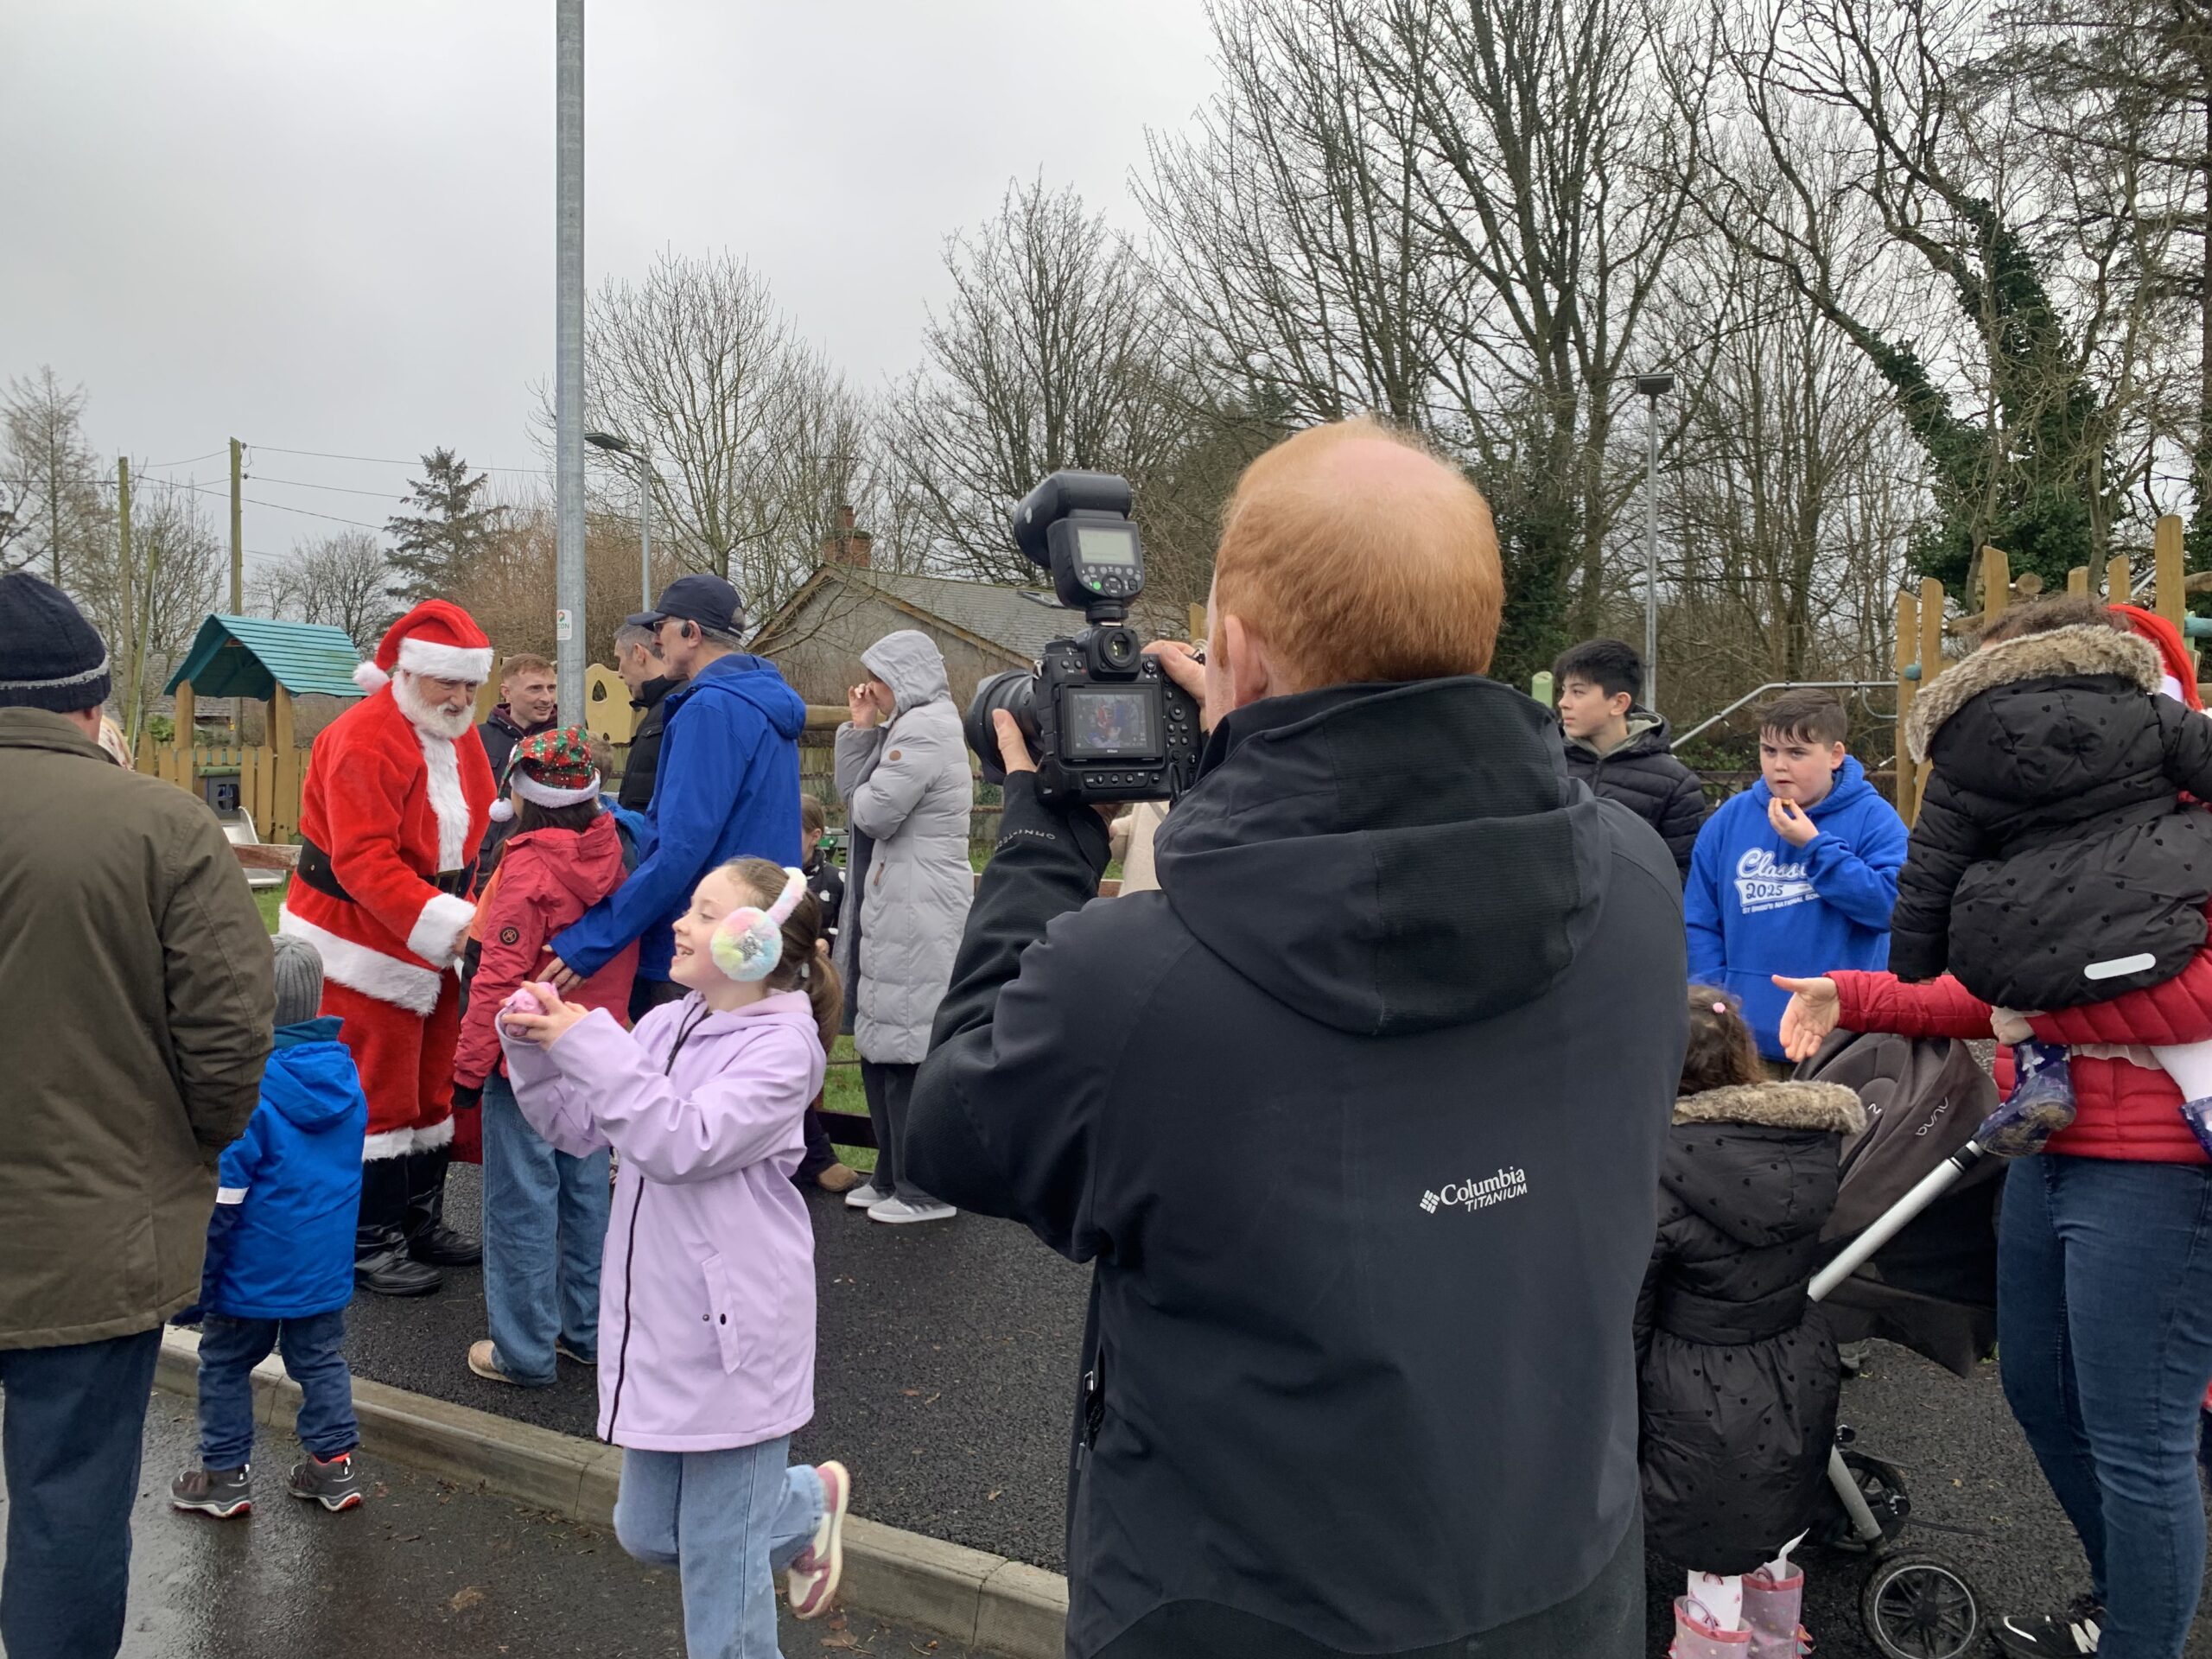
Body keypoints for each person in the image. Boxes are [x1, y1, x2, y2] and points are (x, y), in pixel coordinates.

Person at [904, 420, 1687, 1658]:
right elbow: (1384, 887)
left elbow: (954, 1126)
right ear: (1478, 631)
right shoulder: (1634, 881)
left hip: (1238, 1611)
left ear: (1236, 649)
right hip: (1562, 1580)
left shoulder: (1138, 986)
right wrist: (1256, 767)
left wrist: (1047, 831)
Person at [1777, 958, 2212, 1657]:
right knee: (2043, 1393)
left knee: (2139, 1435)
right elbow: (2002, 980)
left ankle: (2138, 1641)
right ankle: (2119, 1607)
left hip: (2164, 1164)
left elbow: (2189, 994)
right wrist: (1854, 995)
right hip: (2047, 1143)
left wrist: (2033, 1013)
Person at [0, 574, 273, 1659]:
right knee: (69, 1507)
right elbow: (229, 1039)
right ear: (91, 703)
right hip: (97, 1230)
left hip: (92, 1216)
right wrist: (178, 1154)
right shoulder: (160, 825)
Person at [498, 858, 854, 1657]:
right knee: (651, 1531)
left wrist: (589, 1041)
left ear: (755, 943)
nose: (680, 925)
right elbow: (578, 1127)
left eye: (704, 913)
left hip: (736, 1341)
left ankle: (779, 1520)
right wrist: (540, 1049)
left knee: (721, 1570)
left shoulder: (784, 1052)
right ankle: (804, 1505)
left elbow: (681, 1141)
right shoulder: (666, 1024)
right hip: (665, 1329)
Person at [1887, 597, 2212, 1156]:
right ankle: (2205, 1094)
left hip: (2024, 926)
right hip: (2147, 896)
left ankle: (2041, 1074)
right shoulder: (2149, 711)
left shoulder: (1961, 749)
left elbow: (1930, 867)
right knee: (2158, 977)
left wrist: (1915, 961)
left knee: (2004, 949)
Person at [279, 599, 497, 1298]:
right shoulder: (362, 737)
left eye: (469, 685)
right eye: (447, 682)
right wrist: (451, 925)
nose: (460, 698)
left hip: (433, 927)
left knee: (432, 1078)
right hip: (358, 936)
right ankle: (366, 1239)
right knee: (377, 1086)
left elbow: (474, 832)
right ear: (408, 674)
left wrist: (470, 913)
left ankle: (416, 1219)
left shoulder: (457, 734)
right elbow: (362, 860)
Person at [1639, 986, 1863, 1659]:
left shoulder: (1658, 1172)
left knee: (1713, 1557)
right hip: (1795, 1362)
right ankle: (1775, 1640)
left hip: (1698, 1388)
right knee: (1771, 1516)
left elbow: (1632, 1312)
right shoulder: (1805, 1146)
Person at [451, 728, 638, 1386]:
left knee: (522, 1202)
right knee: (586, 1191)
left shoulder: (527, 869)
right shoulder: (616, 850)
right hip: (595, 1049)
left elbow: (497, 980)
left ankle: (523, 1350)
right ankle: (587, 1329)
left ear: (523, 794)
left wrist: (468, 1069)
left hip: (527, 1062)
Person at [170, 936, 369, 1521]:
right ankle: (332, 1466)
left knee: (225, 1363)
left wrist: (198, 1279)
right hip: (322, 1266)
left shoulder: (249, 1089)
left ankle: (224, 1474)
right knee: (320, 1359)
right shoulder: (345, 1078)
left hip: (249, 1270)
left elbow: (225, 1197)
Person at [548, 574, 806, 1021]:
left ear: (691, 632)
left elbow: (681, 847)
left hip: (702, 944)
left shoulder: (709, 708)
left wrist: (591, 942)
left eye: (661, 626)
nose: (655, 639)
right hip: (755, 936)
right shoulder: (763, 703)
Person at [1684, 690, 1908, 1071]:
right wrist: (1717, 1001)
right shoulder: (1729, 820)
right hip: (1744, 1041)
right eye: (1769, 751)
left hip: (1841, 1040)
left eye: (1797, 753)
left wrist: (1815, 848)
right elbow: (1700, 920)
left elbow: (1891, 909)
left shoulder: (1875, 819)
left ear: (1835, 755)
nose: (1779, 766)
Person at [831, 631, 974, 1226]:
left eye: (880, 680)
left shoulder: (925, 729)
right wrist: (862, 729)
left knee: (910, 1042)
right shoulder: (907, 727)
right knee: (883, 1037)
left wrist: (868, 740)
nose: (871, 690)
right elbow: (856, 801)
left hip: (920, 904)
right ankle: (890, 1175)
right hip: (901, 900)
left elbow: (871, 813)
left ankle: (924, 1188)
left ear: (906, 677)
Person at [1553, 637, 1707, 880]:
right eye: (1564, 690)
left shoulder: (1676, 783)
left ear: (1619, 702)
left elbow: (1682, 876)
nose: (1563, 703)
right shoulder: (1545, 766)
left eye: (1578, 692)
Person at [794, 792, 861, 1196]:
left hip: (818, 990)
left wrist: (826, 942)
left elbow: (847, 927)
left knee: (813, 1070)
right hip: (779, 989)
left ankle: (810, 1155)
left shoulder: (834, 880)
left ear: (815, 836)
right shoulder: (770, 876)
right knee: (787, 1072)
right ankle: (813, 1156)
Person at [474, 652, 562, 887]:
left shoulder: (563, 740)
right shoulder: (479, 738)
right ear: (507, 692)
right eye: (535, 689)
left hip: (540, 869)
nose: (547, 698)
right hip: (481, 868)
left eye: (551, 688)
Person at [614, 622, 682, 813]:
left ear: (639, 653)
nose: (619, 673)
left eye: (619, 659)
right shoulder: (659, 707)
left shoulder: (675, 707)